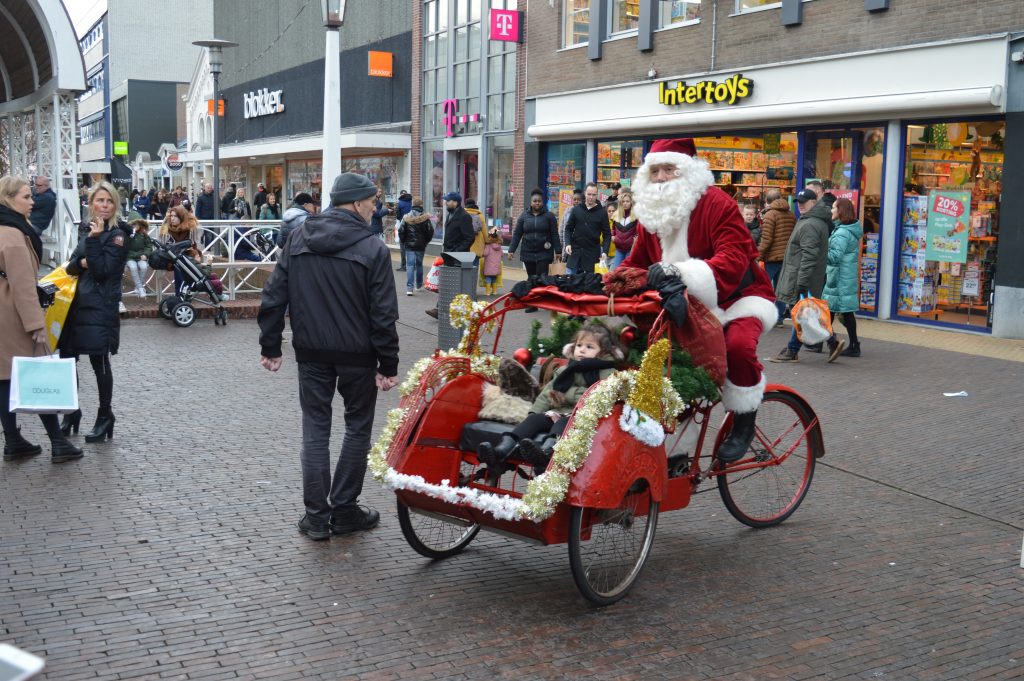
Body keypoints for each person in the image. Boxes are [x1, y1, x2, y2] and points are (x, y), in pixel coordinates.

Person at [258, 172, 400, 541]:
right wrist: (388, 365)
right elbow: (383, 314)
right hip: (358, 356)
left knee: (315, 431)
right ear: (355, 203)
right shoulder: (373, 249)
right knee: (357, 429)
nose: (376, 208)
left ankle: (317, 517)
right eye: (372, 201)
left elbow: (274, 295)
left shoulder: (299, 237)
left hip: (312, 353)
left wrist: (270, 345)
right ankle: (345, 509)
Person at [621, 138, 778, 463]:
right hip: (685, 307)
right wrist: (605, 283)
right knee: (668, 367)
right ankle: (675, 452)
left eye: (670, 169)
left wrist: (676, 274)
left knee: (736, 347)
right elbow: (634, 263)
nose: (662, 177)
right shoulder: (653, 214)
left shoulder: (718, 204)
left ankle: (744, 418)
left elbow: (734, 258)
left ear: (689, 171)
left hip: (739, 298)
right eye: (656, 171)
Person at [0, 176, 82, 463]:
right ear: (8, 198)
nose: (32, 201)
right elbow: (23, 285)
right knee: (40, 373)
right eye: (25, 196)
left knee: (4, 378)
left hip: (3, 312)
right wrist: (36, 326)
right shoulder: (12, 234)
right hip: (14, 314)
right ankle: (58, 442)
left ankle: (13, 441)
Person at [476, 323, 624, 476]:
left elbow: (600, 397)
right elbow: (547, 394)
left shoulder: (607, 373)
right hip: (559, 411)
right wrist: (534, 413)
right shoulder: (565, 370)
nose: (582, 349)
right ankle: (503, 449)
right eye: (579, 345)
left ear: (603, 352)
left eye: (589, 347)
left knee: (562, 424)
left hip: (583, 418)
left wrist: (568, 394)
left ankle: (546, 452)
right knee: (535, 420)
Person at [58, 181, 131, 444]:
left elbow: (102, 271)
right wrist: (84, 259)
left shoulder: (119, 234)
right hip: (76, 304)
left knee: (99, 362)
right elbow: (71, 267)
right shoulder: (85, 229)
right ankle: (71, 411)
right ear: (91, 204)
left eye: (109, 201)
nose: (104, 205)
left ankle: (104, 415)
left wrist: (93, 242)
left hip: (101, 305)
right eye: (100, 200)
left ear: (115, 205)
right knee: (67, 359)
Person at [769, 188, 835, 364]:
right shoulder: (811, 221)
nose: (800, 206)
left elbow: (809, 256)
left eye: (804, 202)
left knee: (801, 312)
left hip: (802, 276)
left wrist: (802, 282)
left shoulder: (810, 224)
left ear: (814, 202)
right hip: (803, 275)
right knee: (807, 312)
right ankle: (832, 341)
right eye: (798, 202)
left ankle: (792, 350)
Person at [821, 197, 863, 358]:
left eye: (833, 208)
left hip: (839, 277)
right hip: (844, 276)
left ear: (840, 211)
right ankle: (851, 344)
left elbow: (834, 257)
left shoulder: (842, 233)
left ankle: (829, 342)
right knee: (843, 311)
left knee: (832, 311)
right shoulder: (847, 230)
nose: (831, 210)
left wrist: (821, 250)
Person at [757, 188, 796, 324]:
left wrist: (758, 255)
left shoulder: (770, 215)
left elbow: (767, 240)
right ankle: (779, 318)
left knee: (765, 288)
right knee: (781, 290)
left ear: (768, 201)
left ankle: (767, 317)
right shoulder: (791, 214)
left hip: (772, 258)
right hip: (786, 258)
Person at [564, 182, 610, 275]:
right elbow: (568, 228)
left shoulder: (602, 213)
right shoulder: (576, 209)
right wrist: (568, 244)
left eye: (593, 195)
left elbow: (607, 234)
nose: (591, 197)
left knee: (588, 285)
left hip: (592, 254)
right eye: (589, 194)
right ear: (585, 194)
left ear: (596, 195)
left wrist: (605, 251)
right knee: (569, 282)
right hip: (575, 252)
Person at [397, 196, 434, 296]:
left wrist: (404, 241)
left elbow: (401, 231)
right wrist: (425, 241)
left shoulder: (406, 217)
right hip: (421, 245)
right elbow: (430, 231)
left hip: (409, 245)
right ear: (421, 205)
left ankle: (409, 288)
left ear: (412, 205)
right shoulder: (425, 218)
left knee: (409, 265)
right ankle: (418, 285)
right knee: (419, 265)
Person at [125, 218, 153, 297]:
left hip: (141, 257)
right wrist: (130, 235)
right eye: (133, 224)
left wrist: (146, 254)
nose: (135, 226)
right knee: (133, 268)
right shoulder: (126, 234)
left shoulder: (143, 234)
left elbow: (149, 246)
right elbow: (123, 246)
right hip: (130, 257)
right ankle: (140, 288)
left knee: (144, 267)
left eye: (137, 224)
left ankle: (138, 288)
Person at [610, 190, 637, 270]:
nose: (625, 203)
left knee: (627, 272)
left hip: (630, 250)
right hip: (619, 249)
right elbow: (613, 229)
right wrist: (613, 237)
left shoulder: (636, 216)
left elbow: (638, 232)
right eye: (623, 201)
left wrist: (634, 241)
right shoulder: (617, 215)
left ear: (631, 202)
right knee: (616, 271)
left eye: (627, 201)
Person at [560, 188, 583, 259]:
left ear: (582, 201)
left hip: (580, 247)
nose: (576, 201)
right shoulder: (567, 212)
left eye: (578, 200)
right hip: (568, 246)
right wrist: (560, 247)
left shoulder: (585, 213)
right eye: (574, 199)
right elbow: (562, 229)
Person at [480, 227, 503, 296]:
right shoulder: (499, 246)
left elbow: (485, 254)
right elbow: (502, 254)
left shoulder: (488, 245)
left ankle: (487, 292)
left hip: (489, 266)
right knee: (494, 278)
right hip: (496, 266)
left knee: (488, 278)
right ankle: (495, 291)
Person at [395, 191, 413, 271]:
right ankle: (412, 265)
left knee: (402, 246)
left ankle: (404, 266)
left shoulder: (400, 203)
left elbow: (398, 216)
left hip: (403, 226)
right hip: (412, 226)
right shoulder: (411, 202)